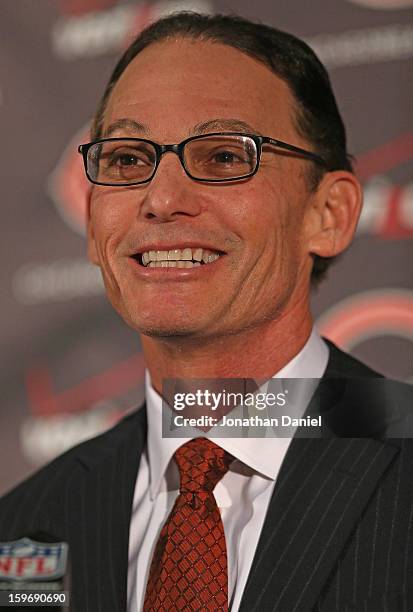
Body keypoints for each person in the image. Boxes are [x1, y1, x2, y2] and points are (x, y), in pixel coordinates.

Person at [1, 12, 412, 612]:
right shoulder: (26, 531)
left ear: (329, 213)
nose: (161, 199)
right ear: (92, 224)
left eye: (223, 156)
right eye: (127, 160)